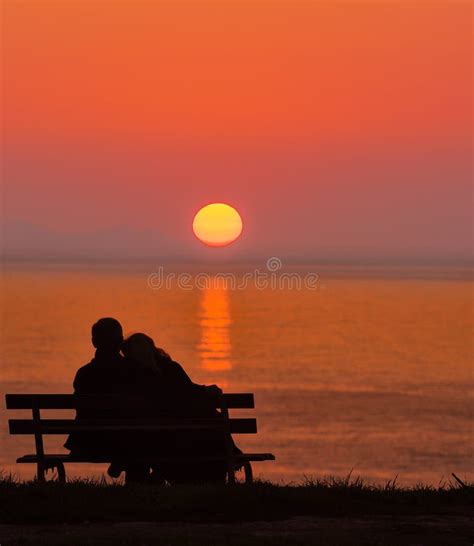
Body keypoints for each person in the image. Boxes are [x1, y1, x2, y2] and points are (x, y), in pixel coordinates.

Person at [122, 333, 235, 483]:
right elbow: (190, 391)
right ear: (152, 348)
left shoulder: (133, 376)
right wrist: (206, 390)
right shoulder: (171, 368)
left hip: (154, 439)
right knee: (211, 416)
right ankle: (230, 454)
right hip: (179, 437)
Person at [64, 318, 145, 482]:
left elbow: (80, 408)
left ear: (94, 342)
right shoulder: (134, 370)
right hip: (125, 444)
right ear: (120, 342)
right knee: (139, 447)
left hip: (87, 444)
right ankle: (136, 491)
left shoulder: (84, 374)